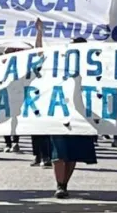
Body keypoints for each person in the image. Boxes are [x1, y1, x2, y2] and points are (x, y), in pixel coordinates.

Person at [37, 21, 96, 198]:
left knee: (73, 153)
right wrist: (39, 33)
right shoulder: (59, 63)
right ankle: (59, 184)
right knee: (59, 152)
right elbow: (38, 55)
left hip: (81, 114)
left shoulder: (92, 68)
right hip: (59, 112)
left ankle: (64, 183)